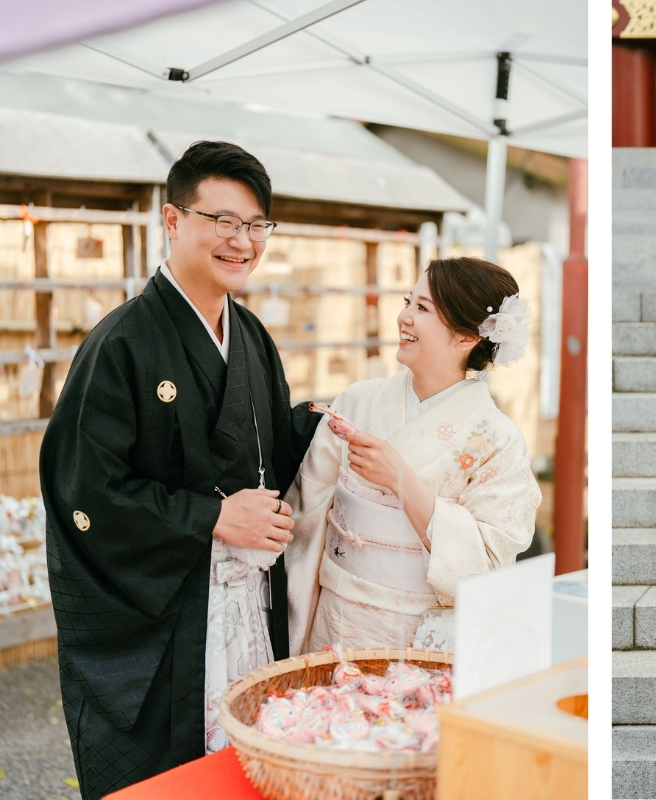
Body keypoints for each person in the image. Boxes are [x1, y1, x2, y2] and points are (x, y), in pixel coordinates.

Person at [40, 141, 319, 798]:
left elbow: (269, 452)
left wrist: (327, 426)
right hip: (164, 625)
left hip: (244, 608)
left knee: (244, 774)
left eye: (255, 226)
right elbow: (87, 494)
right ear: (172, 221)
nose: (241, 242)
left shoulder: (251, 336)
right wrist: (215, 516)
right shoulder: (121, 343)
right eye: (222, 222)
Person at [285, 256, 541, 655]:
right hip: (336, 622)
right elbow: (304, 517)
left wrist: (401, 480)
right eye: (408, 301)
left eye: (422, 308)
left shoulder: (497, 441)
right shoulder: (357, 402)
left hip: (421, 638)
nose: (403, 316)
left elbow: (487, 569)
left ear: (467, 337)